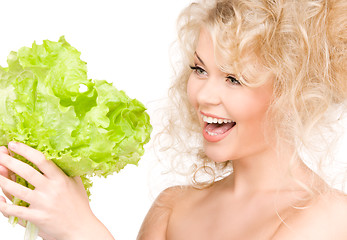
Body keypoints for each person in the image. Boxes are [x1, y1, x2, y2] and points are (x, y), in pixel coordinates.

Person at [0, 0, 347, 239]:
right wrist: (53, 216)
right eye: (200, 69)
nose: (204, 95)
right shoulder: (172, 206)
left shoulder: (332, 217)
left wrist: (81, 228)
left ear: (294, 94)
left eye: (234, 78)